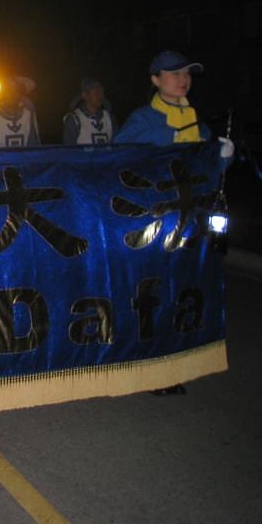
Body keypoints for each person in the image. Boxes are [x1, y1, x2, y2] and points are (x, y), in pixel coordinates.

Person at [114, 49, 234, 396]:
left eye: (187, 74)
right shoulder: (144, 119)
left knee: (180, 290)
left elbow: (210, 171)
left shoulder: (198, 119)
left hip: (191, 220)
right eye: (173, 73)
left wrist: (224, 156)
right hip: (156, 221)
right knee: (150, 292)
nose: (182, 79)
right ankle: (150, 368)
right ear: (155, 80)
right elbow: (121, 159)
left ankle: (173, 364)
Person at [0, 75, 41, 147]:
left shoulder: (28, 115)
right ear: (2, 94)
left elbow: (33, 147)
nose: (13, 93)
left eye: (16, 90)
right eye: (8, 90)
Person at [62, 77, 116, 145]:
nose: (100, 96)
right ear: (85, 95)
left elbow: (116, 148)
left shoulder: (109, 119)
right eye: (96, 92)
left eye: (101, 92)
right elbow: (69, 152)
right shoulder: (74, 120)